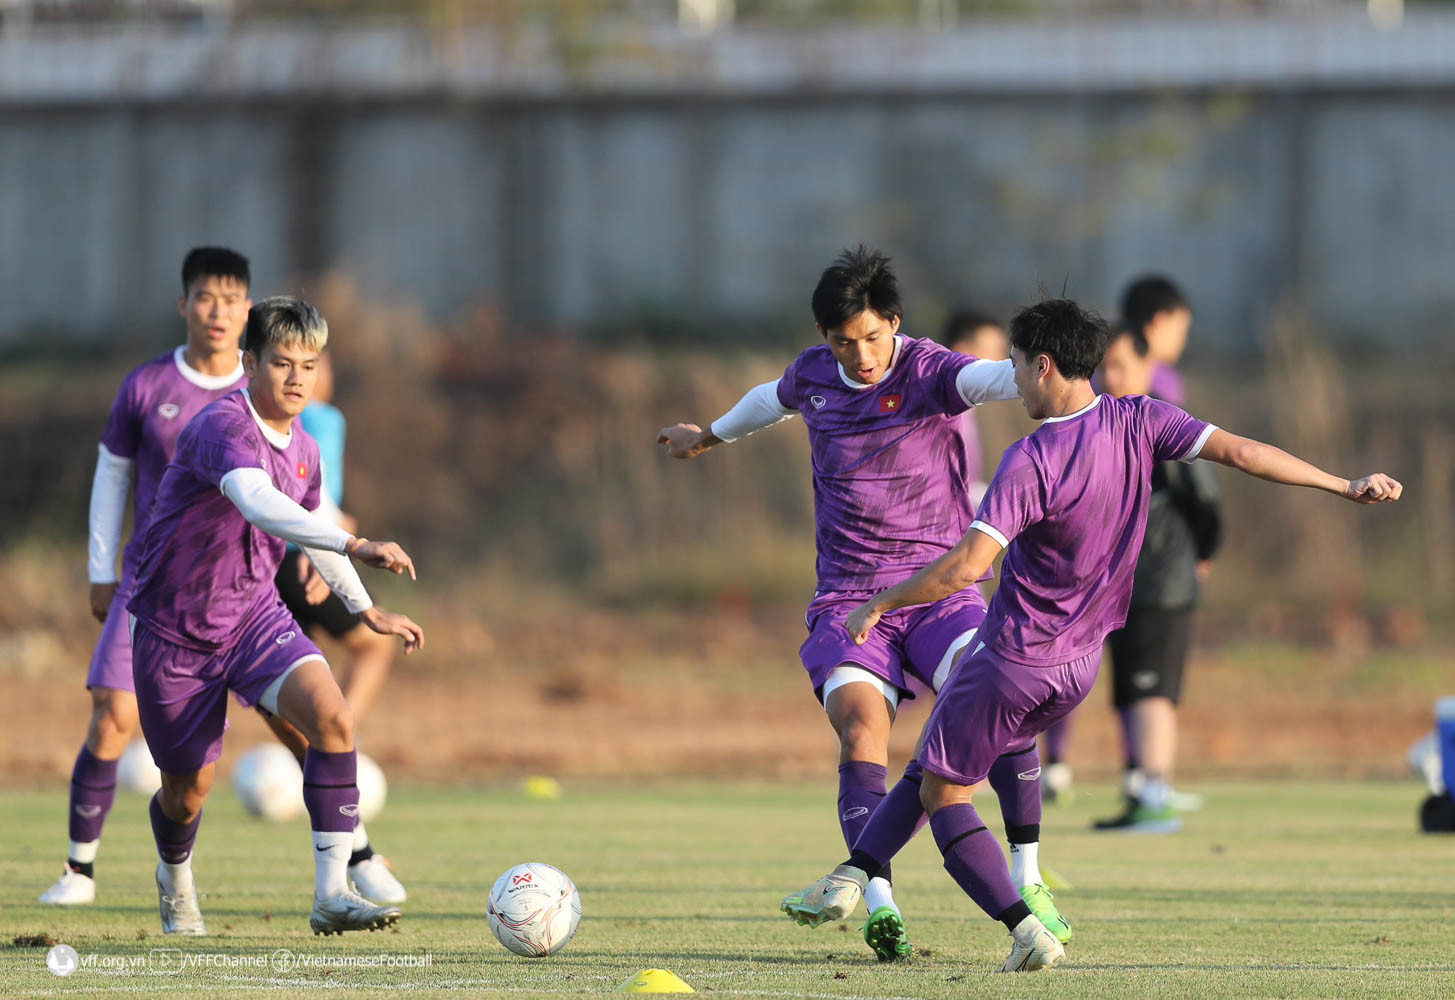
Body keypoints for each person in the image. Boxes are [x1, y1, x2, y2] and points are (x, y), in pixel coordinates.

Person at [779, 296, 1400, 973]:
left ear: (1044, 366)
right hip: (1076, 668)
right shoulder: (1140, 418)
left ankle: (1023, 927)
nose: (1011, 383)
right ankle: (850, 874)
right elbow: (1243, 452)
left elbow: (966, 568)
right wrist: (1342, 483)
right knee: (934, 762)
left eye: (1015, 368)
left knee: (943, 793)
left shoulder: (1030, 459)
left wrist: (880, 603)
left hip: (1010, 658)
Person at [657, 246, 1044, 961]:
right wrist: (707, 436)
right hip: (848, 600)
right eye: (843, 342)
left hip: (937, 594)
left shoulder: (928, 368)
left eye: (871, 337)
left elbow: (993, 378)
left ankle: (1029, 873)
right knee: (862, 734)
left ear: (893, 323)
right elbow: (768, 400)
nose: (861, 356)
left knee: (990, 694)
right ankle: (878, 901)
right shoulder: (812, 375)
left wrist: (1057, 381)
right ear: (824, 339)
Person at [126, 296, 425, 936]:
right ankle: (174, 873)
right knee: (188, 794)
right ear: (248, 361)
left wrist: (366, 611)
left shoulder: (308, 450)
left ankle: (332, 894)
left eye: (308, 365)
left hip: (254, 618)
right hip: (175, 633)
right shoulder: (221, 427)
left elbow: (313, 532)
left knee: (334, 719)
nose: (297, 378)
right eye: (282, 363)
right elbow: (257, 503)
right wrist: (357, 543)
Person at [41, 247, 252, 906]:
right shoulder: (146, 386)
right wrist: (100, 568)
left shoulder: (263, 389)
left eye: (230, 299)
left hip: (235, 592)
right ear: (183, 304)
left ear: (249, 309)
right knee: (112, 716)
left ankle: (351, 858)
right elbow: (112, 475)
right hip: (147, 583)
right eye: (204, 297)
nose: (217, 312)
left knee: (301, 723)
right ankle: (78, 871)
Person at [1044, 275, 1195, 803]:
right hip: (1128, 562)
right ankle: (1132, 776)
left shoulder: (1086, 399)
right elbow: (1195, 482)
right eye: (1180, 326)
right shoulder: (1160, 390)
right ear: (1158, 325)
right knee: (1103, 671)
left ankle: (1074, 767)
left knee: (1094, 668)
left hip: (1099, 558)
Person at [266, 350, 405, 903]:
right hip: (287, 565)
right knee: (322, 701)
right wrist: (332, 540)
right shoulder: (318, 419)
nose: (308, 376)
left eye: (317, 363)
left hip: (302, 557)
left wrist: (335, 533)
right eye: (294, 362)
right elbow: (316, 506)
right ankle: (336, 750)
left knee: (308, 712)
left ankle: (334, 748)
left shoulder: (318, 420)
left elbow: (323, 498)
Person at [1094, 328, 1222, 832]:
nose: (1110, 376)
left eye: (1121, 365)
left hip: (1160, 581)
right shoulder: (1102, 421)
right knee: (1129, 691)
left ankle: (1156, 797)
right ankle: (1139, 793)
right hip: (1120, 583)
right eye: (1103, 366)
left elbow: (1206, 496)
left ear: (1149, 368)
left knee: (1152, 693)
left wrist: (1203, 552)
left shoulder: (1162, 423)